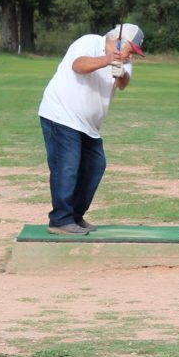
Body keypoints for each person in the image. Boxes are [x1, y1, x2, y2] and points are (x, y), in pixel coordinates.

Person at [37, 23, 145, 235]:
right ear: (118, 41)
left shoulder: (124, 60)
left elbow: (123, 84)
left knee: (95, 165)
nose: (131, 55)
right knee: (67, 167)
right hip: (61, 114)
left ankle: (75, 216)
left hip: (88, 125)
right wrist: (107, 59)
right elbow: (78, 65)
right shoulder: (89, 42)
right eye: (130, 50)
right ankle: (60, 220)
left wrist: (120, 70)